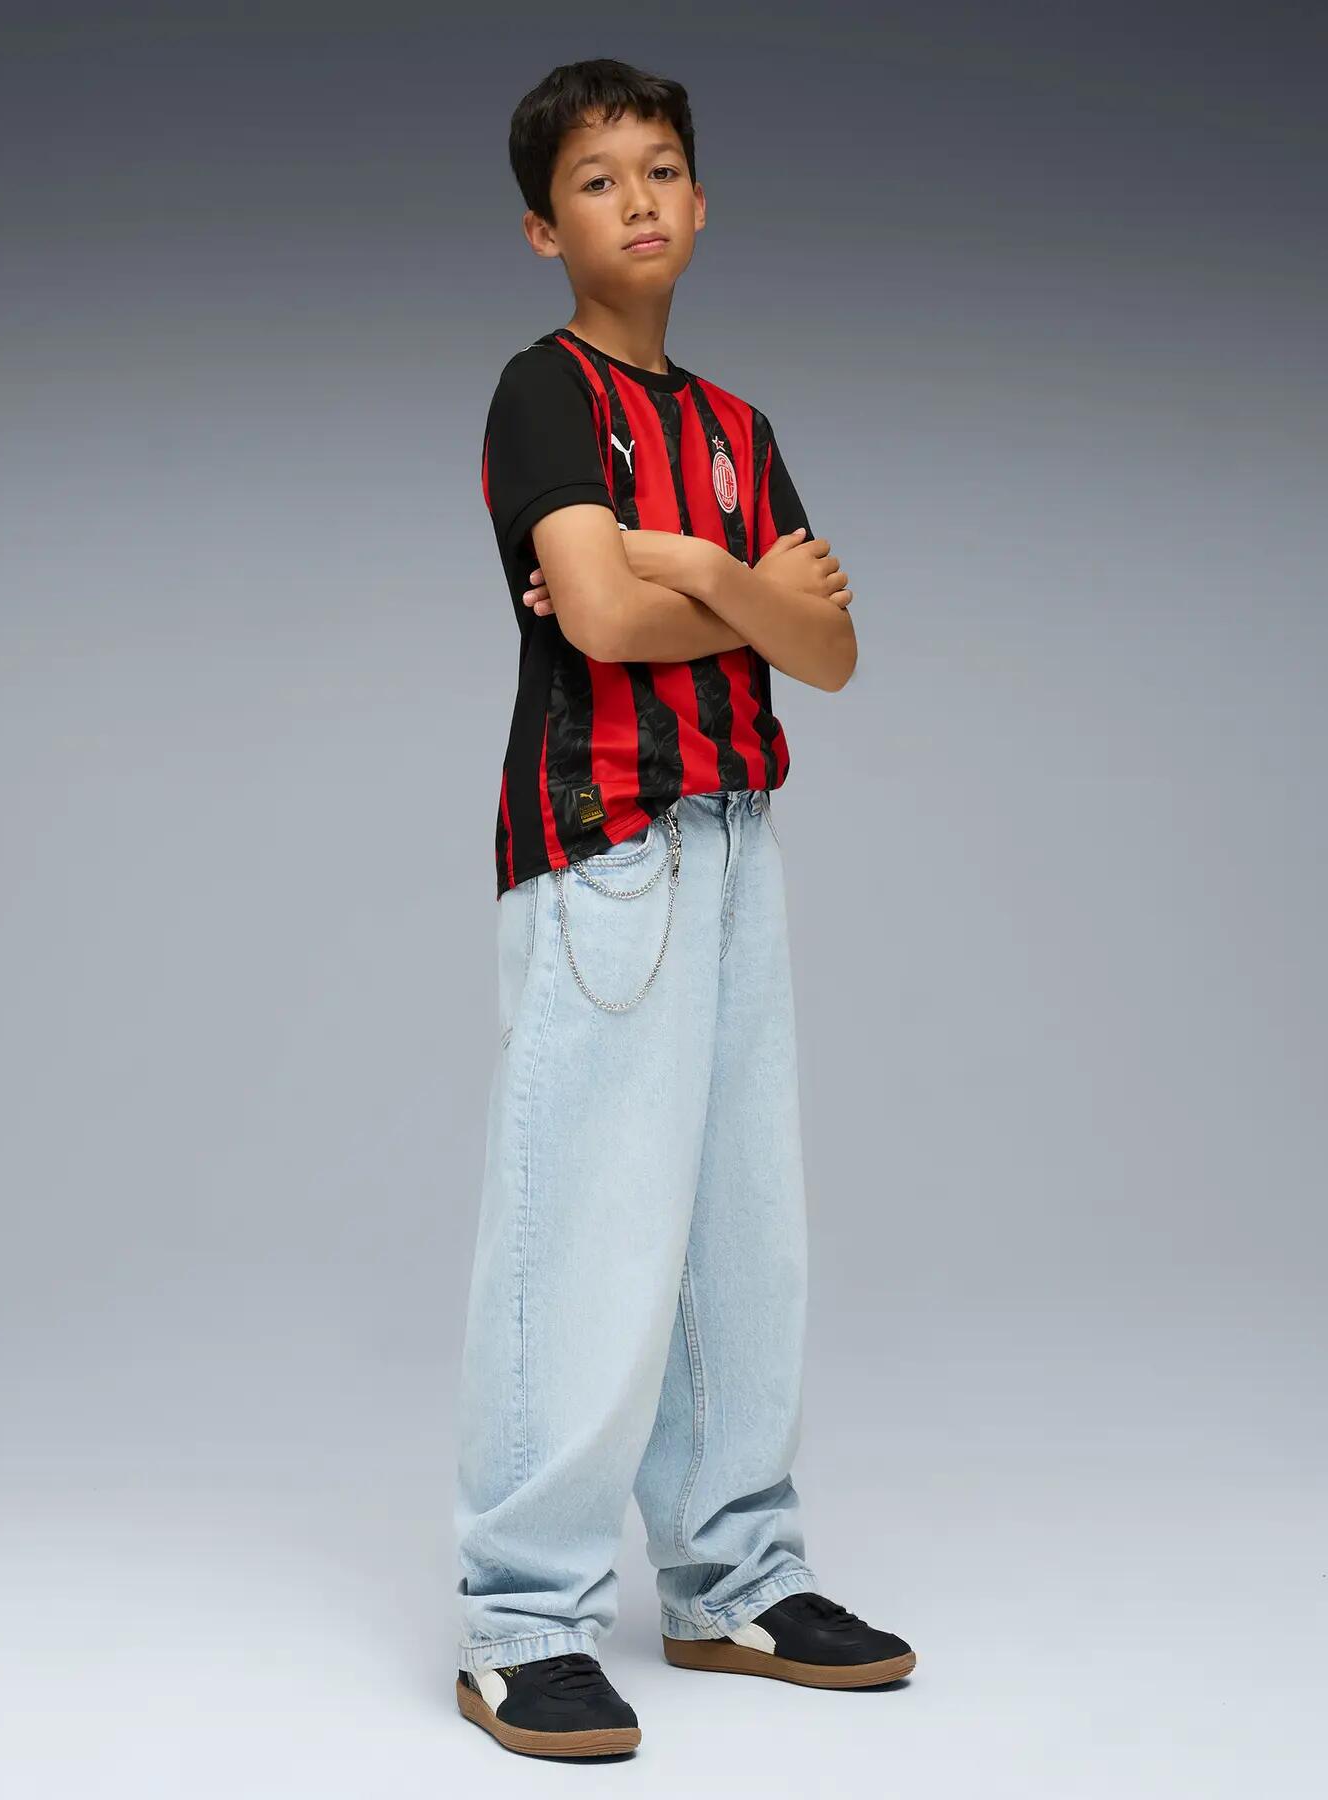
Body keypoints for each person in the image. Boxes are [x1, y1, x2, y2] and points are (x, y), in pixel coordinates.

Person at [452, 57, 912, 1760]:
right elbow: (595, 616)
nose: (636, 199)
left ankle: (733, 1579)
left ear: (702, 203)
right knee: (583, 1227)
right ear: (542, 227)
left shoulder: (737, 428)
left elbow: (833, 652)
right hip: (608, 845)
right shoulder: (543, 393)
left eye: (660, 170)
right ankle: (521, 1619)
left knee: (740, 1228)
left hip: (732, 840)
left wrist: (699, 570)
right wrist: (746, 587)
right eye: (596, 179)